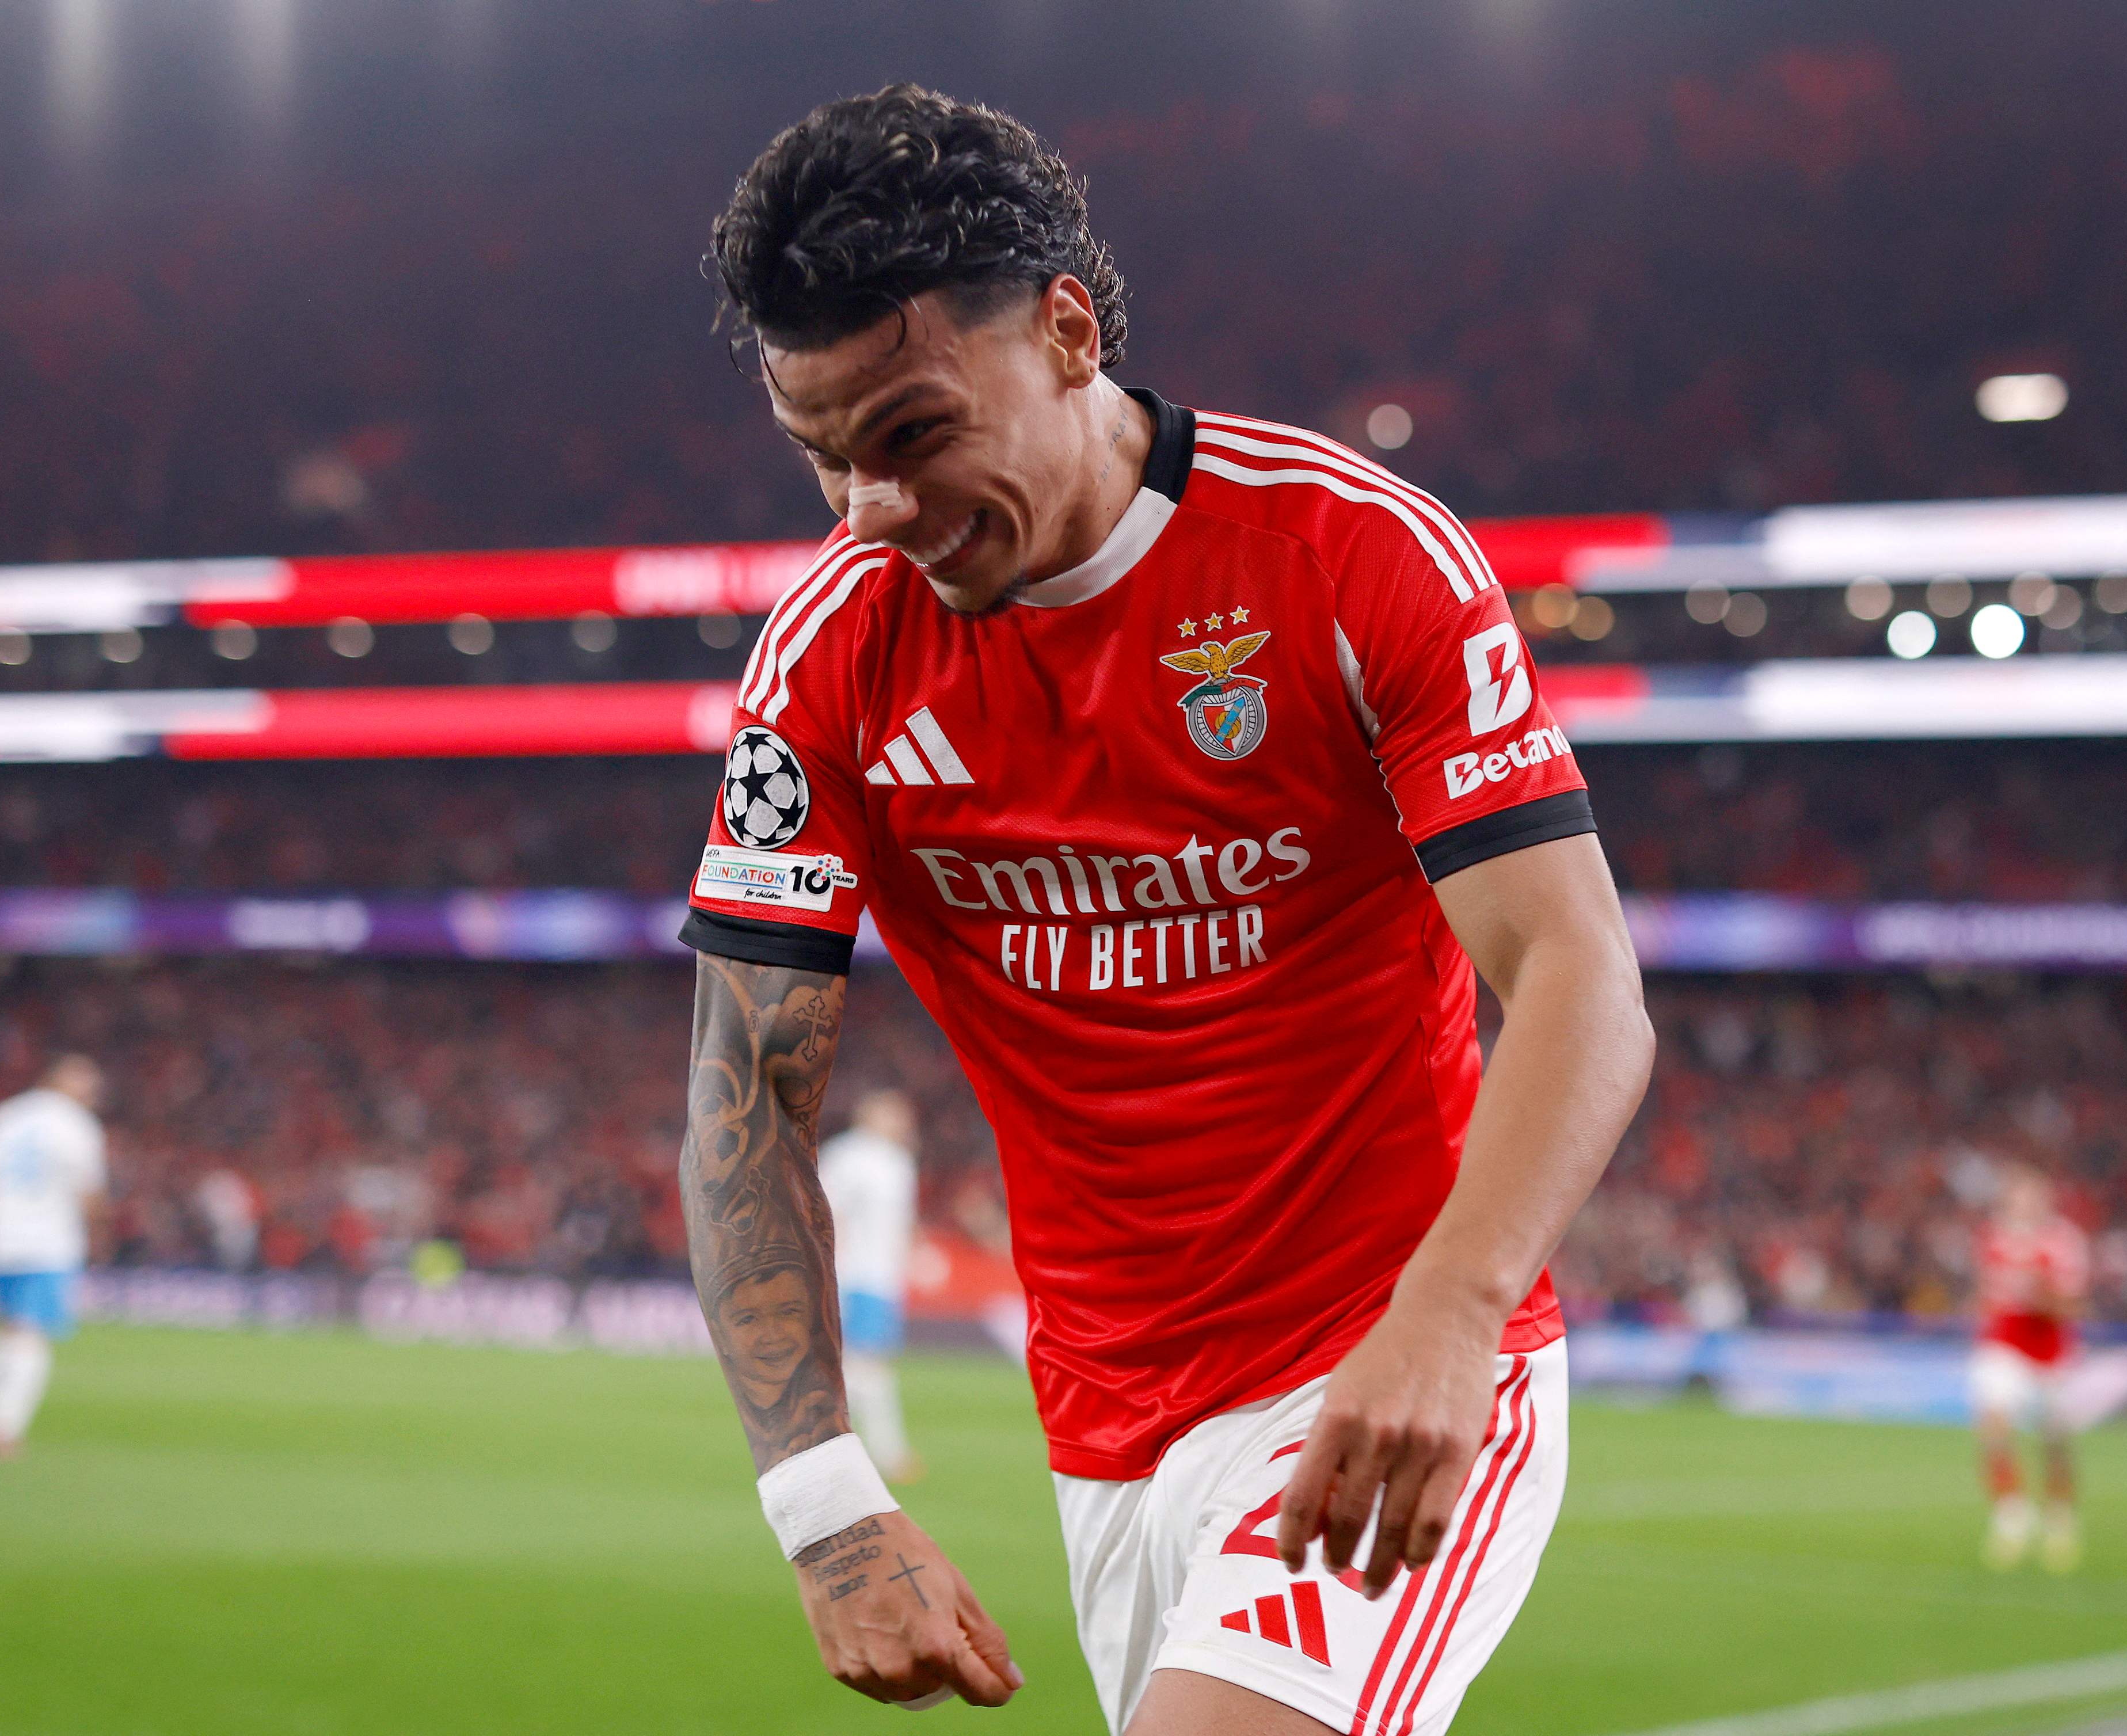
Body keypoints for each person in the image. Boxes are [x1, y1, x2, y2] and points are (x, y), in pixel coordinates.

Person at [677, 87, 1652, 1734]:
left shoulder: (1347, 554)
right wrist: (825, 1503)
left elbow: (1577, 972)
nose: (868, 511)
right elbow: (743, 1092)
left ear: (1067, 332)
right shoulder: (830, 655)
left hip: (1386, 1362)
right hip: (1104, 1429)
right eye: (823, 457)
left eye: (911, 434)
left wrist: (1452, 1311)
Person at [0, 1054, 109, 1459]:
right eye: (88, 1087)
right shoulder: (76, 1125)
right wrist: (99, 1237)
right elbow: (90, 1192)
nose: (92, 1095)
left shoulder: (3, 1117)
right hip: (48, 1241)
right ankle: (3, 1428)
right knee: (31, 1332)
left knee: (3, 1326)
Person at [1970, 1165, 2091, 1572]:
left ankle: (2060, 1520)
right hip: (2003, 1345)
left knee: (2054, 1443)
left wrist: (2038, 1294)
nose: (2021, 1204)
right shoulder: (1992, 1236)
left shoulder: (2064, 1242)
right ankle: (2012, 1516)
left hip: (2050, 1352)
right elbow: (1989, 1293)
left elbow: (2072, 1307)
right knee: (1993, 1424)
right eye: (2015, 1196)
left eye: (2030, 1196)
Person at [819, 1091, 924, 1482]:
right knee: (866, 1365)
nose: (902, 1122)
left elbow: (899, 1224)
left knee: (861, 1365)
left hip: (883, 1279)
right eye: (894, 1114)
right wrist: (833, 1267)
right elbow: (827, 1211)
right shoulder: (847, 1156)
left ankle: (844, 1448)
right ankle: (885, 1452)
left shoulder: (898, 1161)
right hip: (855, 1276)